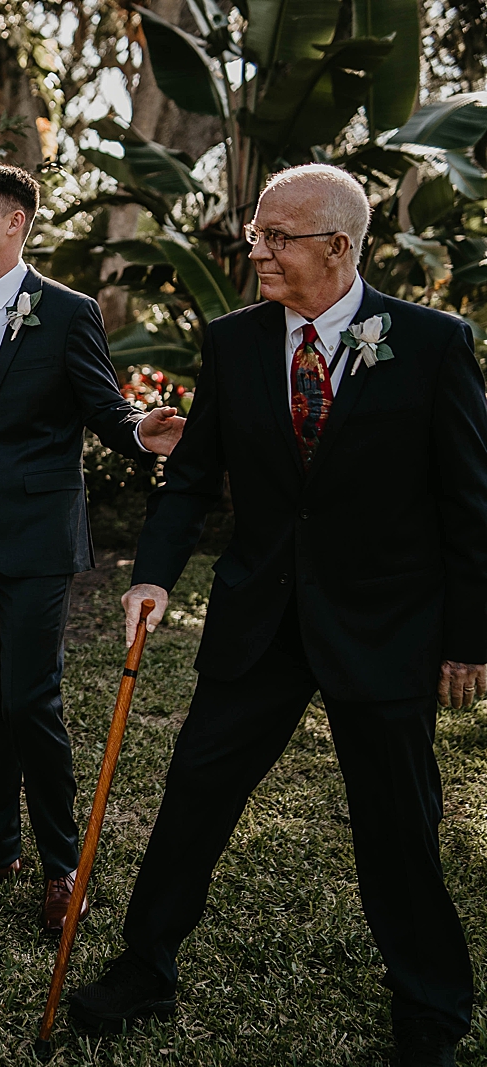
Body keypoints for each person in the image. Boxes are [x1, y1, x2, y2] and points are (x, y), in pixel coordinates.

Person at [69, 164, 486, 1067]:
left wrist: (468, 640)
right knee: (195, 795)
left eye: (275, 237)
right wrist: (155, 575)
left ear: (338, 246)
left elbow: (470, 506)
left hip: (383, 627)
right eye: (255, 233)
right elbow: (193, 476)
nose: (254, 249)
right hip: (260, 616)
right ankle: (147, 963)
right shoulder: (233, 341)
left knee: (398, 822)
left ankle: (430, 1004)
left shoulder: (432, 342)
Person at [0, 165, 184, 934]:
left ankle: (65, 865)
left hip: (36, 539)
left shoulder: (66, 312)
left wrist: (138, 433)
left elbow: (104, 405)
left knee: (31, 698)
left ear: (15, 221)